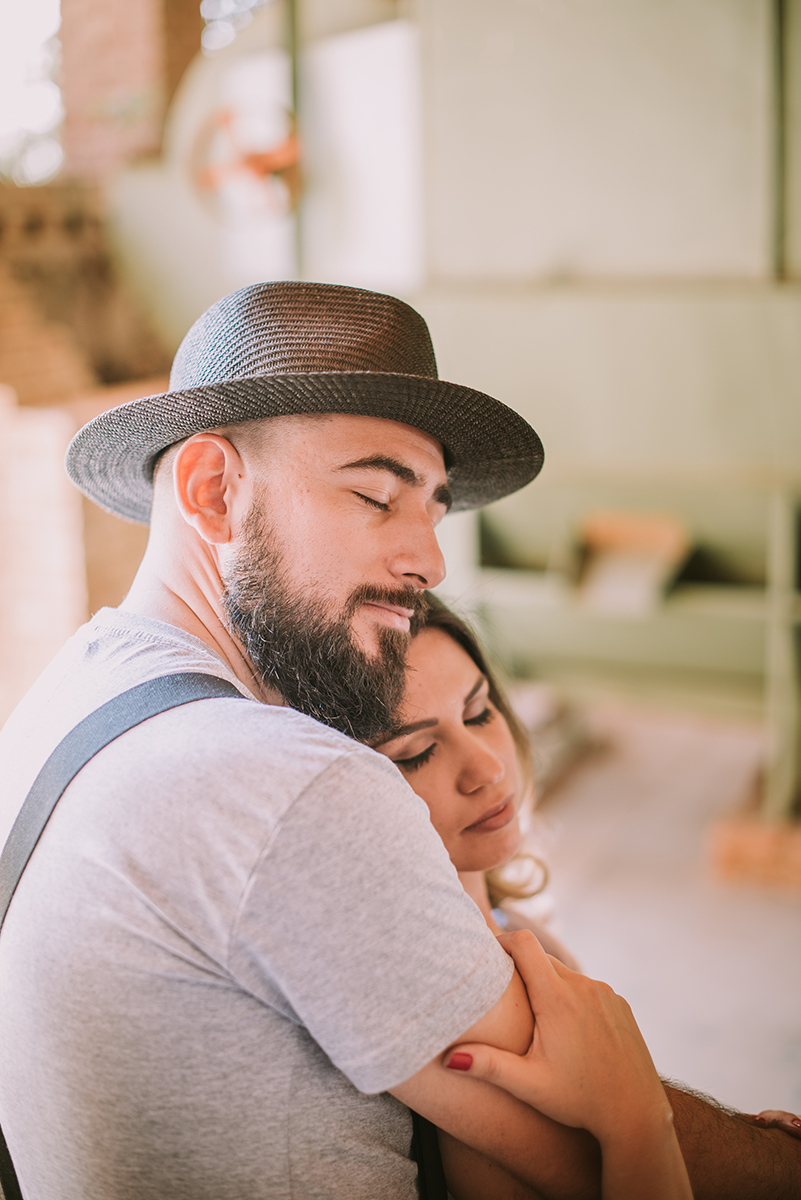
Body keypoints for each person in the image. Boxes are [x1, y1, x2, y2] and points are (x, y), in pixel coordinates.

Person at [0, 281, 798, 1200]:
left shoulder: (71, 693)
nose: (430, 558)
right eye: (377, 497)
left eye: (434, 507)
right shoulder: (277, 782)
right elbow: (582, 1155)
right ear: (214, 491)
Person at [376, 594, 801, 1191]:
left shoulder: (521, 925)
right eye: (417, 753)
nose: (487, 769)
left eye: (478, 713)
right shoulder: (465, 1004)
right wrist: (643, 1122)